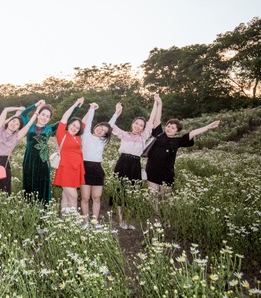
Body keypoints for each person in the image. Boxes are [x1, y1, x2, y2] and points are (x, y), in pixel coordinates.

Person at [146, 94, 220, 202]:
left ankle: (165, 217)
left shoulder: (178, 141)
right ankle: (155, 217)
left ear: (177, 131)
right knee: (153, 198)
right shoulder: (159, 134)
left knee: (165, 199)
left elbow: (193, 133)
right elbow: (158, 118)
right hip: (152, 170)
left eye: (173, 127)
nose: (169, 128)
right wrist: (159, 103)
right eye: (168, 126)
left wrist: (208, 127)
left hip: (167, 173)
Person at [110, 95, 158, 229]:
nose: (138, 126)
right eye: (136, 123)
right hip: (123, 162)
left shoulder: (144, 136)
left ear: (143, 128)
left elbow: (151, 119)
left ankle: (127, 220)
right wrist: (117, 112)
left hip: (135, 164)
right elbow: (109, 126)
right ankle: (120, 221)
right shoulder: (124, 134)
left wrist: (155, 103)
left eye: (141, 125)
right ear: (132, 124)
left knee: (132, 192)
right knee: (120, 191)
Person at [20, 99, 80, 204]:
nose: (45, 118)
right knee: (28, 185)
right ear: (38, 114)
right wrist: (35, 105)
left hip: (43, 161)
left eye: (48, 116)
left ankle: (43, 212)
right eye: (43, 114)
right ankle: (29, 210)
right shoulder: (29, 124)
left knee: (42, 187)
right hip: (29, 160)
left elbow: (66, 119)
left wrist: (76, 106)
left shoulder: (50, 128)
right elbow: (23, 114)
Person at [0, 106, 38, 194]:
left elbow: (28, 125)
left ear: (18, 129)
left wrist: (37, 110)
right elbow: (6, 110)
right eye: (13, 121)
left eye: (17, 124)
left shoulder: (16, 137)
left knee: (3, 192)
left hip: (3, 163)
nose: (14, 124)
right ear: (9, 122)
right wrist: (18, 109)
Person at [80, 102, 121, 222]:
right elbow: (88, 122)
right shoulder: (86, 135)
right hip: (84, 168)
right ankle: (86, 222)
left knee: (96, 197)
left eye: (104, 130)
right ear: (95, 126)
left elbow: (110, 124)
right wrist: (92, 108)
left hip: (97, 169)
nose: (100, 130)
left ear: (105, 134)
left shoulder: (102, 141)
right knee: (85, 197)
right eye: (100, 127)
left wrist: (116, 113)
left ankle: (94, 221)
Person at [52, 97, 86, 211]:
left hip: (76, 169)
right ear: (68, 124)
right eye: (73, 125)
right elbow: (64, 117)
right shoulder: (62, 133)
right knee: (74, 196)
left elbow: (84, 122)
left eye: (77, 127)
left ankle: (64, 220)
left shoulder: (77, 137)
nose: (75, 128)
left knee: (66, 196)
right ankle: (73, 221)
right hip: (65, 168)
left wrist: (91, 109)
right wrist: (76, 103)